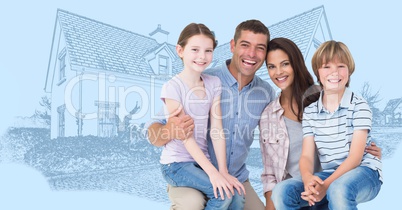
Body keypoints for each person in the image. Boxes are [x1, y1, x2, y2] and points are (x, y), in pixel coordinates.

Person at [147, 19, 276, 210]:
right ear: (232, 46)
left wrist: (270, 196)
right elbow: (154, 132)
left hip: (235, 175)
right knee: (194, 204)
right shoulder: (196, 79)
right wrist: (169, 130)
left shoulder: (264, 92)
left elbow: (272, 147)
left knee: (237, 198)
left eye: (260, 48)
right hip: (190, 168)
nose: (251, 54)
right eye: (245, 45)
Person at [271, 40, 383, 210]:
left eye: (341, 66)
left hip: (365, 173)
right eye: (327, 67)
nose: (334, 73)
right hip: (328, 174)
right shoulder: (310, 112)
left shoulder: (359, 106)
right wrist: (308, 178)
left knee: (338, 190)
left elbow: (355, 158)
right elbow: (307, 156)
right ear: (318, 71)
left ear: (349, 70)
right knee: (282, 191)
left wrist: (326, 185)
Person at [159, 22, 245, 210]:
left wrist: (222, 171)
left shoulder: (213, 83)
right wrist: (213, 174)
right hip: (176, 164)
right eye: (195, 49)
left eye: (208, 51)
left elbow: (217, 130)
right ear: (180, 50)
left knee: (236, 196)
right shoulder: (172, 87)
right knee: (221, 194)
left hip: (201, 161)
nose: (202, 56)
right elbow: (186, 137)